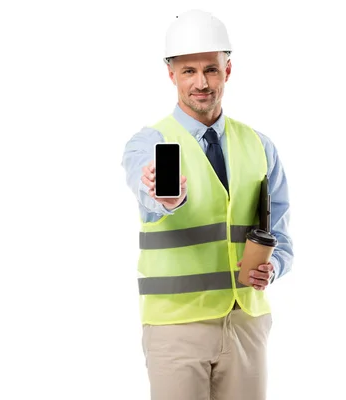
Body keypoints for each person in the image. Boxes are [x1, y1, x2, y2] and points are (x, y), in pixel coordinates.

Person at [121, 9, 293, 400]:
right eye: (189, 72)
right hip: (175, 328)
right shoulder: (147, 144)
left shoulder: (260, 145)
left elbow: (280, 232)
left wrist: (274, 266)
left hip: (245, 323)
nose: (201, 83)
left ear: (227, 71)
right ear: (171, 75)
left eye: (211, 70)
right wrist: (164, 198)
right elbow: (144, 188)